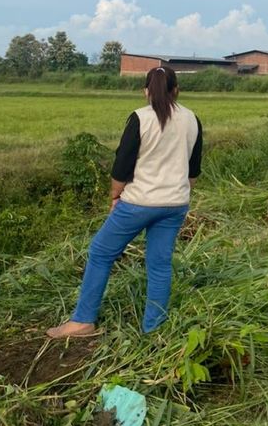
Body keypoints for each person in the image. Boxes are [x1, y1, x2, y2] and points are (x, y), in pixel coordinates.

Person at [47, 65, 203, 338]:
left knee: (100, 253)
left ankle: (83, 321)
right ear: (176, 90)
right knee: (159, 264)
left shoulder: (140, 118)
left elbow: (121, 167)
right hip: (176, 203)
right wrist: (177, 192)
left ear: (146, 91)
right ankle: (153, 328)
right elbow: (193, 171)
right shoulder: (192, 119)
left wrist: (115, 196)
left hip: (139, 202)